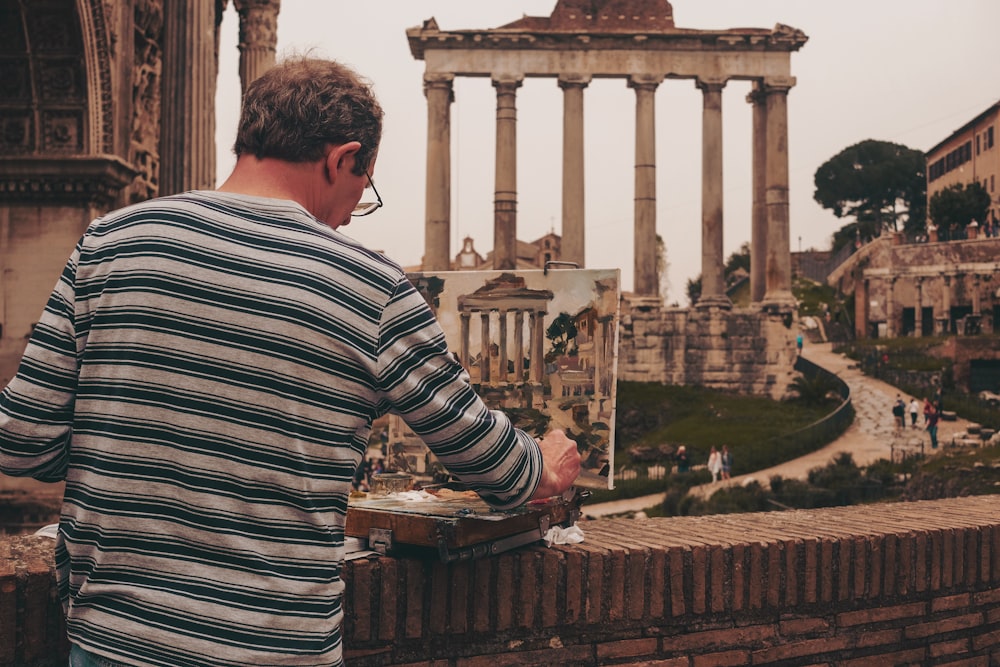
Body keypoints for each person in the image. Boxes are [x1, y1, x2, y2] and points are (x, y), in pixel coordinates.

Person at [0, 57, 580, 667]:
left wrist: (148, 439)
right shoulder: (371, 287)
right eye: (365, 186)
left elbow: (22, 444)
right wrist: (544, 463)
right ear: (340, 158)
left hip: (113, 639)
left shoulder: (109, 242)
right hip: (274, 647)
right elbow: (487, 459)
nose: (355, 210)